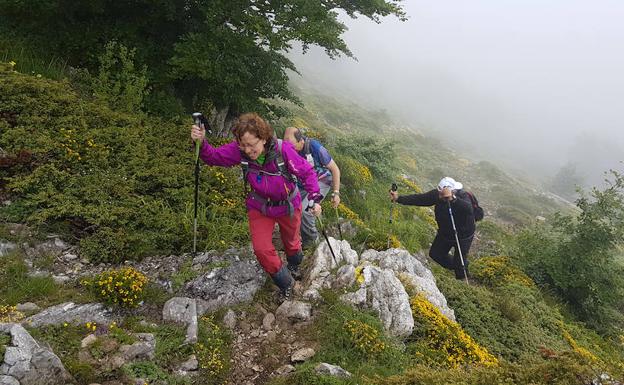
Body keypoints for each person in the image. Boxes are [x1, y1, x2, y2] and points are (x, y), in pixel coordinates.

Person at [190, 113, 322, 298]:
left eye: (252, 144)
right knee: (261, 249)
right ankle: (287, 284)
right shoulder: (239, 151)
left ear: (264, 138)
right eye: (243, 145)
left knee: (292, 242)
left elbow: (307, 172)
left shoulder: (283, 150)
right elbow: (213, 157)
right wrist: (201, 143)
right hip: (260, 207)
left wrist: (315, 197)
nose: (248, 150)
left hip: (288, 205)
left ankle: (294, 265)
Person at [389, 177, 475, 280]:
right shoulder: (437, 195)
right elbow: (420, 199)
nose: (439, 196)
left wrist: (453, 199)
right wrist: (399, 198)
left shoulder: (462, 196)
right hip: (445, 233)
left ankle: (462, 280)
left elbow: (469, 209)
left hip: (463, 236)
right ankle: (460, 265)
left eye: (442, 194)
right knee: (435, 254)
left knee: (460, 263)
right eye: (439, 192)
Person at [283, 127, 341, 247]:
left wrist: (336, 193)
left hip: (321, 181)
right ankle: (294, 239)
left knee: (306, 210)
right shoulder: (286, 150)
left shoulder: (315, 147)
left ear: (301, 141)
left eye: (293, 147)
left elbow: (335, 169)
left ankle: (312, 244)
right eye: (288, 147)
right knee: (291, 208)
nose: (290, 151)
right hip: (302, 183)